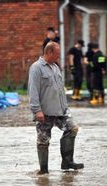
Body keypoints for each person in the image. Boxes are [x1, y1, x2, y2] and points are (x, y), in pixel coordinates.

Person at [28, 41, 84, 174]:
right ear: (49, 52)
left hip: (60, 110)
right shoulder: (36, 68)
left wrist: (66, 108)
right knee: (43, 140)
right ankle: (44, 171)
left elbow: (60, 90)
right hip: (45, 112)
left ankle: (67, 162)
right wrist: (37, 110)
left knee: (72, 128)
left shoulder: (55, 67)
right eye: (57, 54)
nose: (59, 57)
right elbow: (33, 90)